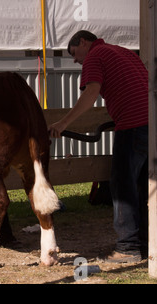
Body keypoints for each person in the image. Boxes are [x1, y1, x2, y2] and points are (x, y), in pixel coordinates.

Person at [49, 30, 149, 263]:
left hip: (133, 124)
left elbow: (91, 92)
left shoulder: (95, 55)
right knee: (143, 187)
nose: (75, 60)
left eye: (75, 53)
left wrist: (63, 123)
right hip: (150, 123)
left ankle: (127, 248)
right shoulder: (124, 52)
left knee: (122, 186)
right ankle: (145, 243)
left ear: (84, 42)